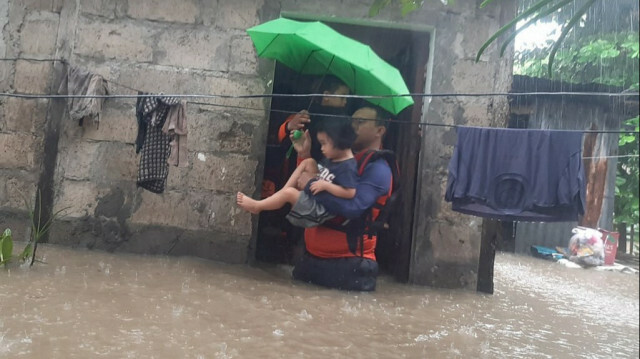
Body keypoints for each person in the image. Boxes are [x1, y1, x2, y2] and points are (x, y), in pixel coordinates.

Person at [289, 106, 393, 291]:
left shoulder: (379, 169)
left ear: (380, 131)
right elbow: (309, 189)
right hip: (311, 258)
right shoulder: (338, 159)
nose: (352, 126)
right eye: (351, 121)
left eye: (360, 122)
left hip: (348, 265)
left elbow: (353, 208)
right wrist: (303, 155)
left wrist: (312, 187)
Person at [237, 118, 358, 228]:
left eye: (325, 144)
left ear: (339, 142)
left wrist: (325, 185)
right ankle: (281, 194)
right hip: (317, 196)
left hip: (320, 210)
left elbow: (350, 192)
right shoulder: (334, 158)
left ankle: (258, 206)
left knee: (289, 193)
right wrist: (305, 156)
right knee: (309, 162)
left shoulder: (348, 167)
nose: (322, 149)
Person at [278, 76, 351, 163]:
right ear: (326, 95)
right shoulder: (304, 114)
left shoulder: (342, 120)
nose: (345, 102)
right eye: (342, 97)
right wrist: (289, 126)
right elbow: (281, 139)